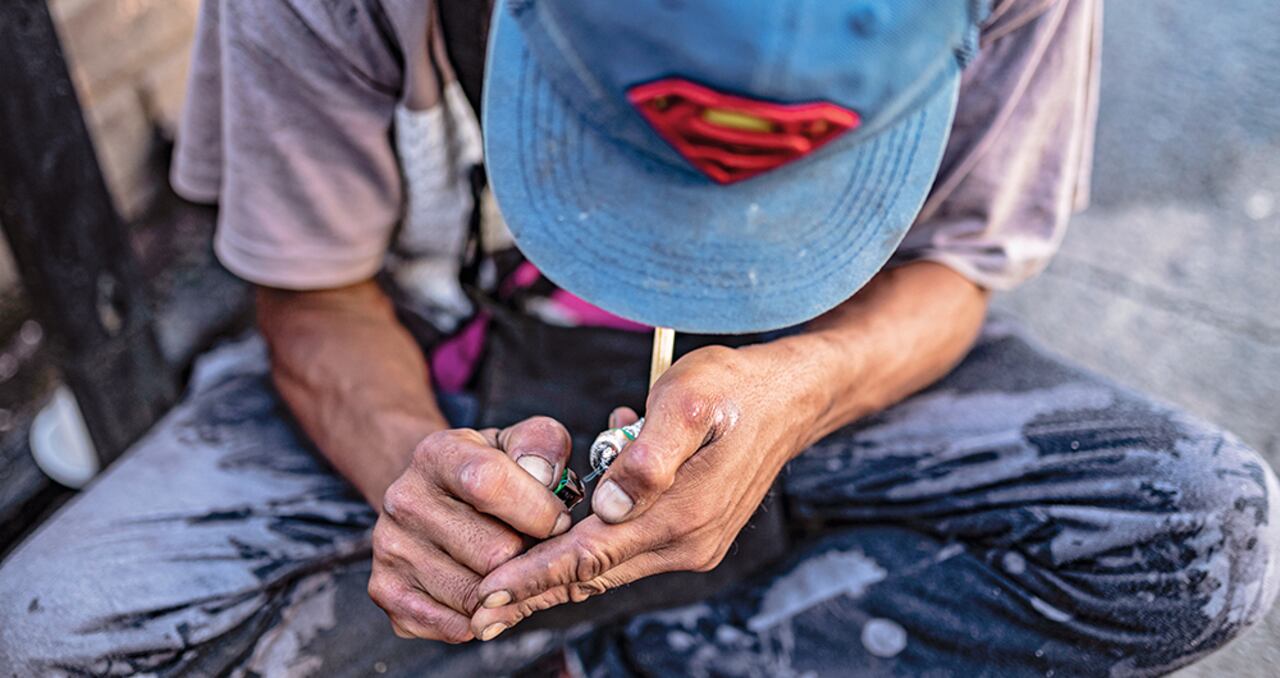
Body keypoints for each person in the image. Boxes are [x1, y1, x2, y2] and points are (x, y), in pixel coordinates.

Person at [1, 0, 1277, 675]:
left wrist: (804, 385)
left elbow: (955, 271)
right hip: (435, 339)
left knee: (1194, 529)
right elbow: (313, 296)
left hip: (812, 361)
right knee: (47, 636)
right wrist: (415, 474)